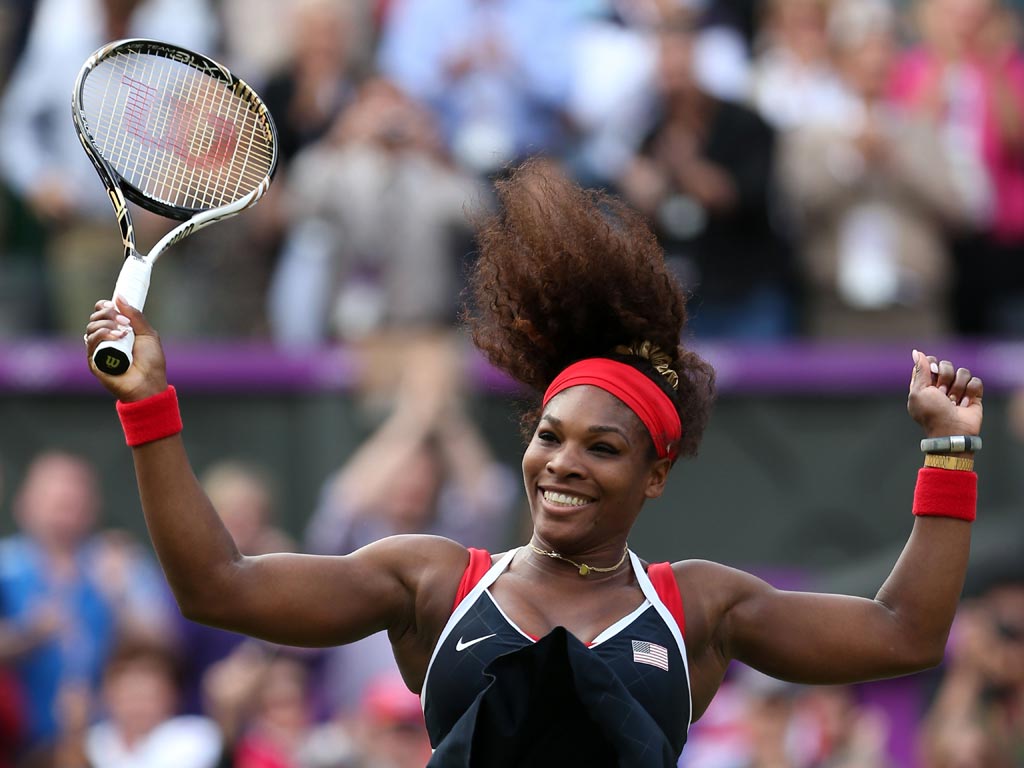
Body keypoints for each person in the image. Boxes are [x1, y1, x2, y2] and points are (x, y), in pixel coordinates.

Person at [84, 161, 983, 766]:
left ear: (656, 475)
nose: (563, 463)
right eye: (550, 435)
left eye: (603, 447)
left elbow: (904, 631)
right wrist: (149, 408)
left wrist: (949, 449)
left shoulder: (699, 607)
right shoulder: (430, 581)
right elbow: (219, 586)